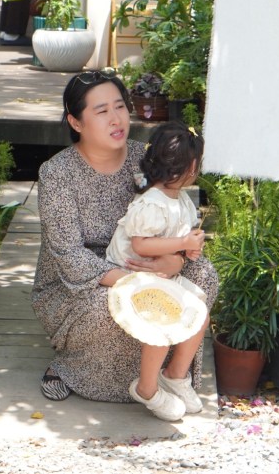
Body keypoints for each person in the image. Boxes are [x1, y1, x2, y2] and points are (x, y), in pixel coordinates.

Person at [32, 70, 219, 416]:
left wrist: (177, 260)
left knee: (202, 275)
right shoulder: (57, 174)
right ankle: (73, 369)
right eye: (102, 111)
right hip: (80, 284)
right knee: (117, 305)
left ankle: (169, 375)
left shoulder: (144, 158)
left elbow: (175, 217)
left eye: (120, 106)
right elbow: (70, 257)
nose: (116, 118)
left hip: (150, 262)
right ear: (76, 122)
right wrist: (144, 280)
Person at [104, 122, 209, 420]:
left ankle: (175, 375)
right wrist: (182, 243)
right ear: (191, 166)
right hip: (130, 274)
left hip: (158, 274)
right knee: (163, 320)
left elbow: (175, 240)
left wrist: (188, 250)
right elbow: (141, 245)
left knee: (200, 311)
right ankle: (146, 388)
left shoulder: (181, 200)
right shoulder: (152, 202)